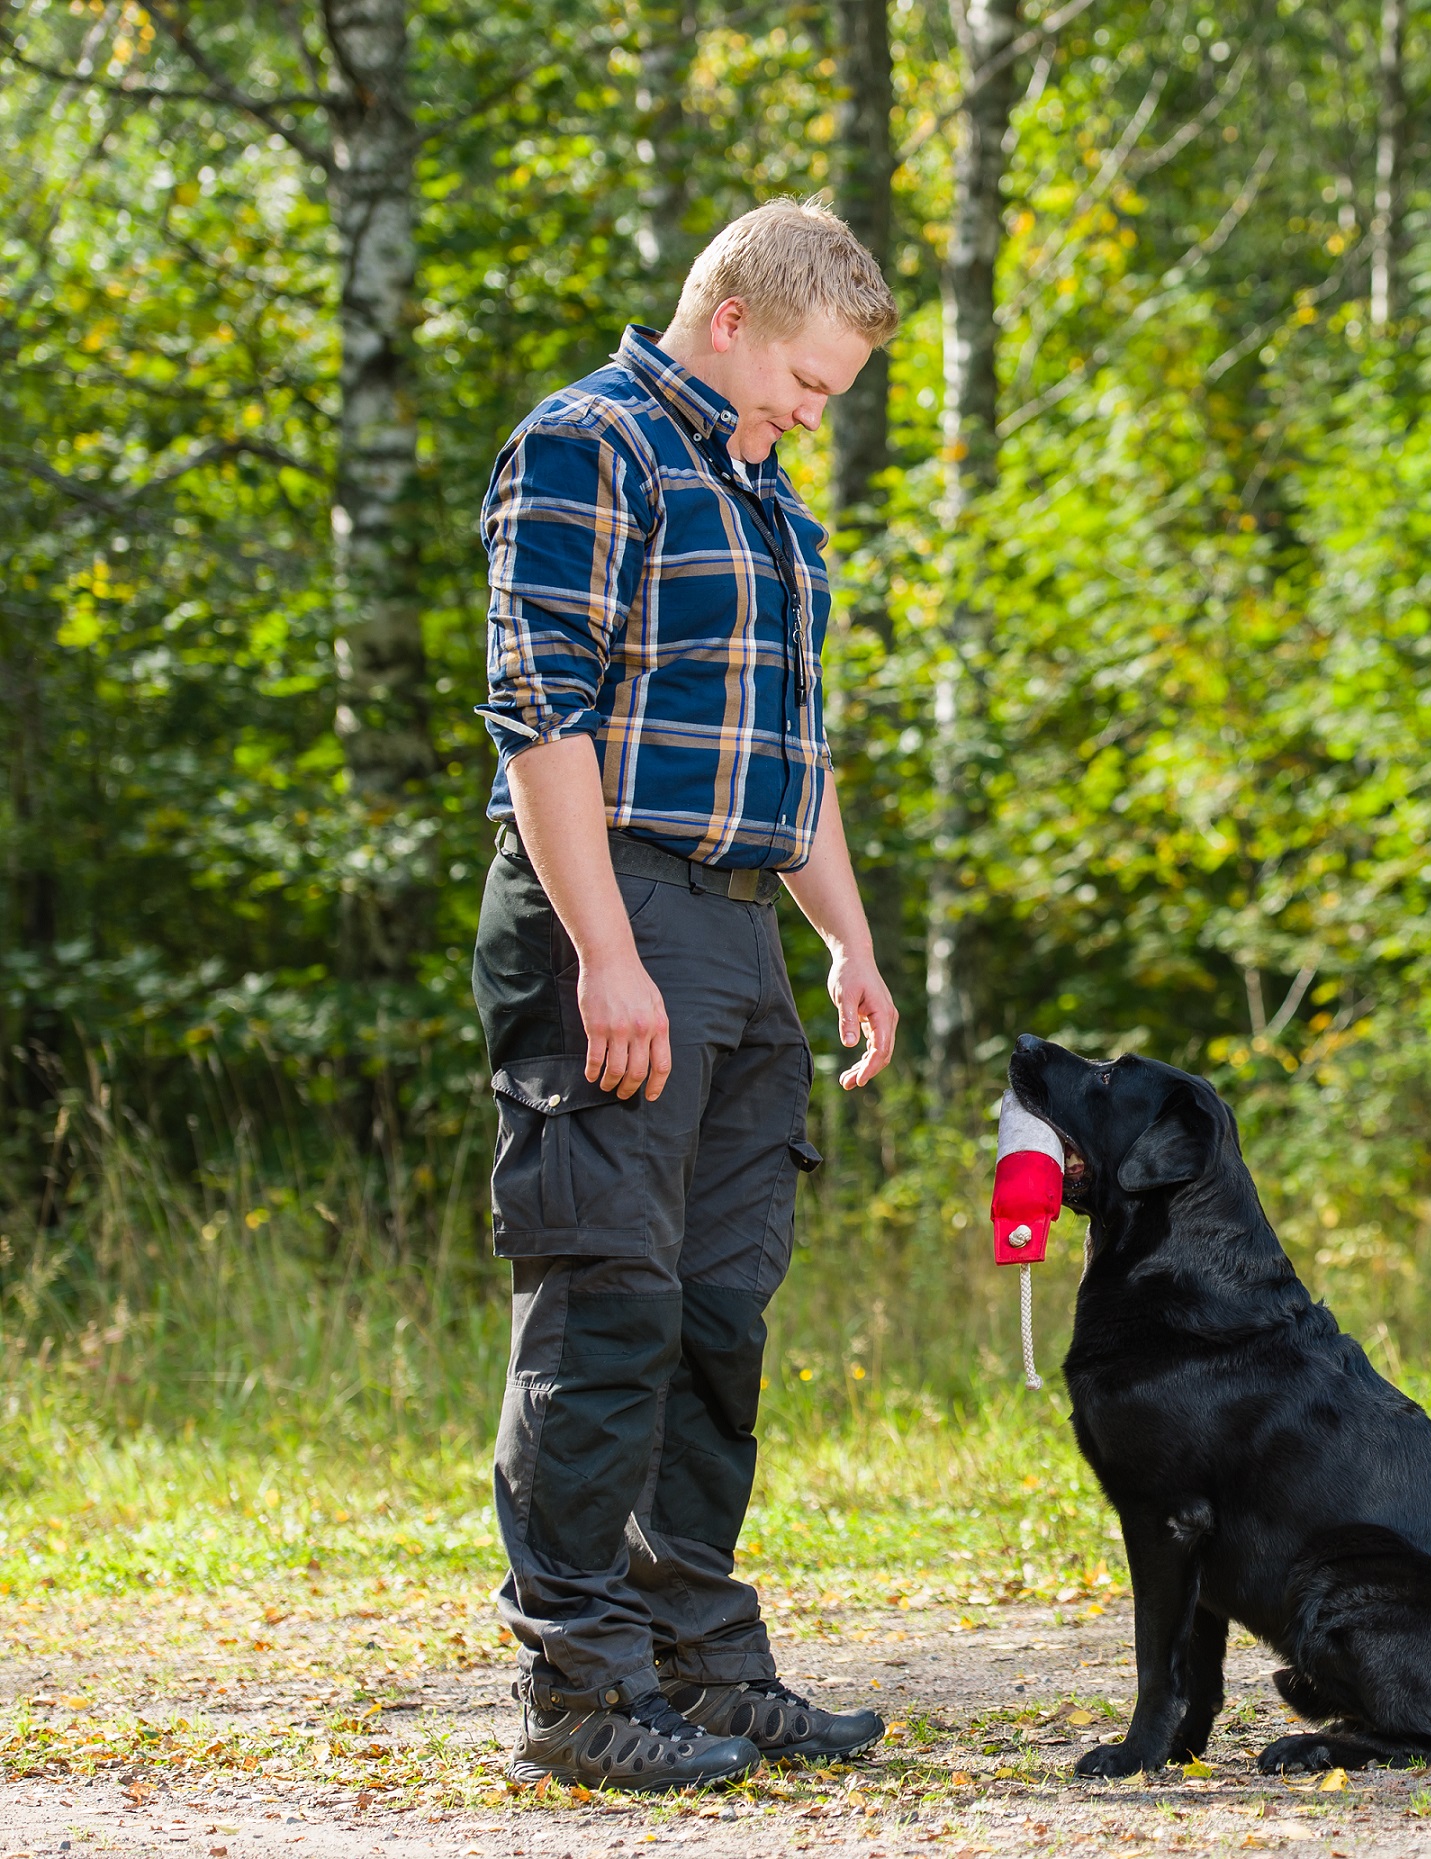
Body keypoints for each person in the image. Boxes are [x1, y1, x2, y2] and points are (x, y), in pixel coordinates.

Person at [472, 198, 902, 1792]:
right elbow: (541, 713)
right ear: (729, 319)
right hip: (611, 906)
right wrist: (601, 954)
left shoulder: (772, 503)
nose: (811, 412)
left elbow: (792, 757)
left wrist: (846, 941)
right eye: (806, 378)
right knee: (606, 1307)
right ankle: (576, 1692)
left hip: (739, 934)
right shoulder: (588, 448)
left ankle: (697, 1666)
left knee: (716, 1319)